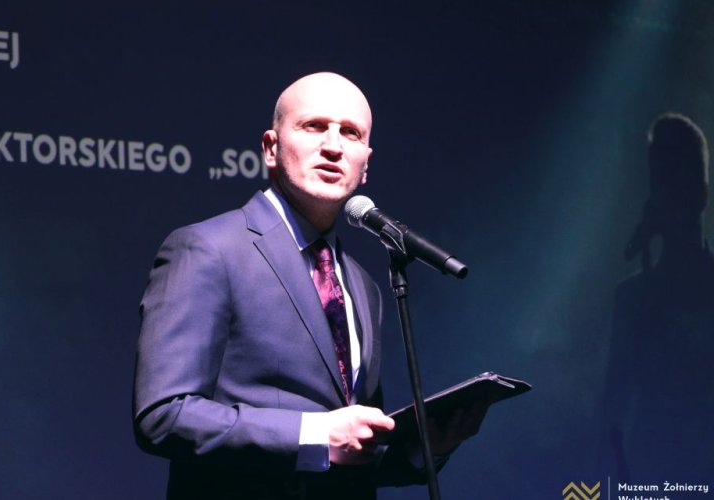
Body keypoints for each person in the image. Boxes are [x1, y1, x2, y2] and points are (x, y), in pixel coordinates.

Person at [133, 72, 486, 499]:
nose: (333, 146)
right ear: (271, 148)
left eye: (351, 133)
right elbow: (164, 415)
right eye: (314, 126)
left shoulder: (362, 285)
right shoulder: (209, 248)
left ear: (366, 164)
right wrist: (316, 435)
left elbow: (351, 453)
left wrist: (425, 449)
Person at [603, 113, 714, 481]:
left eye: (675, 181)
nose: (666, 195)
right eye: (659, 182)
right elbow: (611, 411)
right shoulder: (633, 298)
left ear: (701, 194)